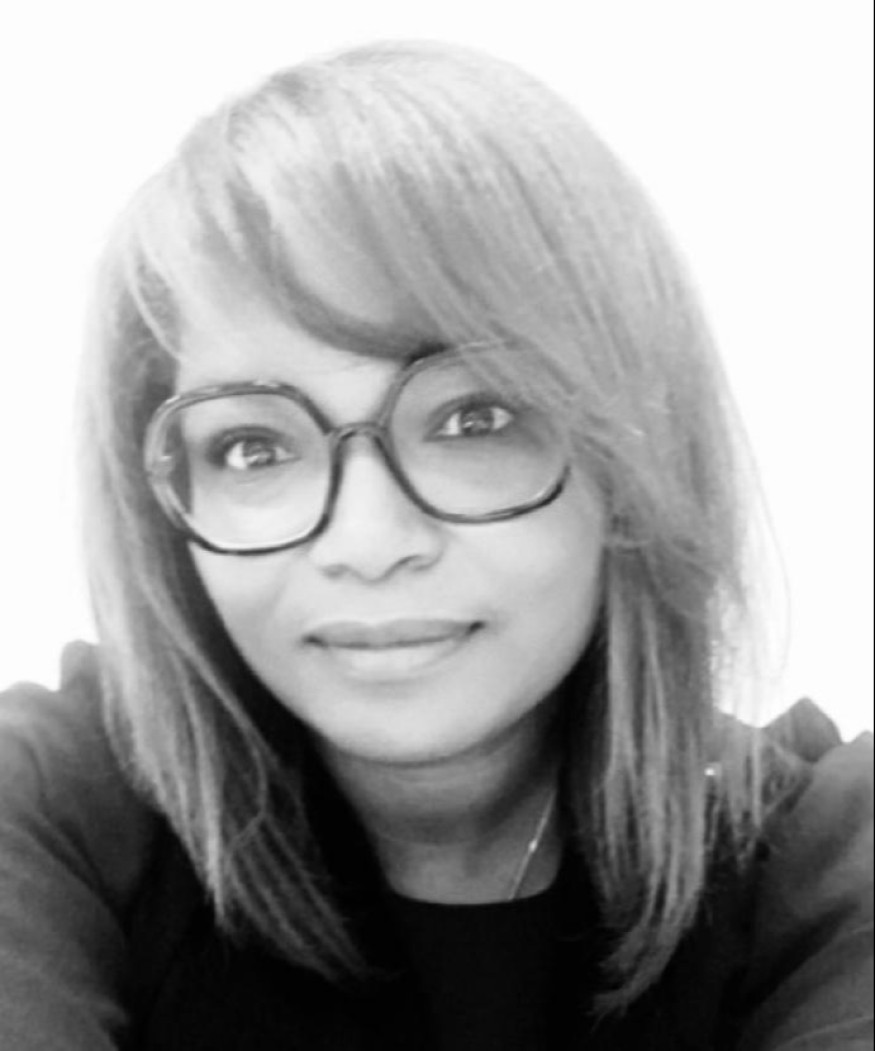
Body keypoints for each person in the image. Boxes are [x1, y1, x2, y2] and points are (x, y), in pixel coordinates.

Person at [0, 39, 871, 1051]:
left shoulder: (819, 859)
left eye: (474, 419)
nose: (367, 543)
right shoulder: (58, 806)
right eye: (253, 446)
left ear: (631, 455)